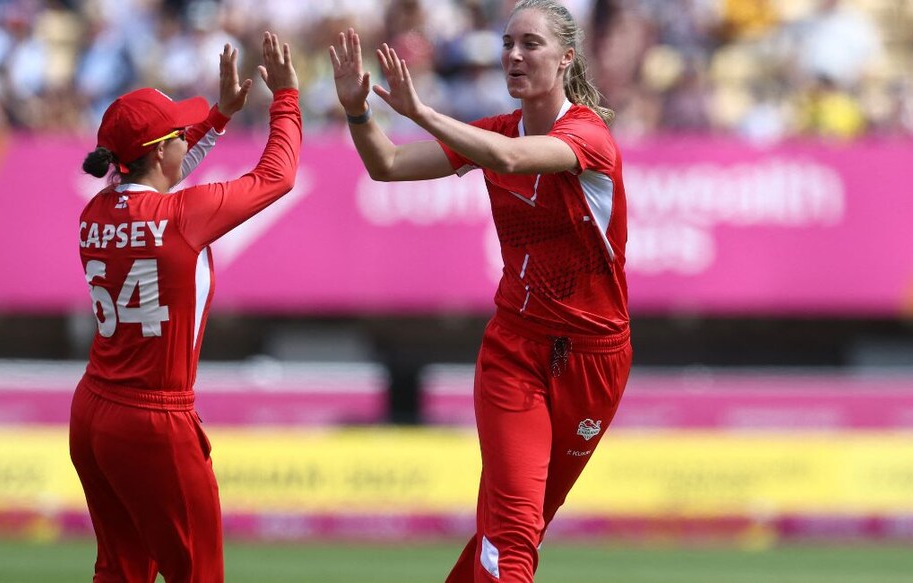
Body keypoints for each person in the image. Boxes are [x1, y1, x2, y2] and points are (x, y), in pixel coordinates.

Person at [329, 1, 631, 581]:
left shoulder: (589, 136)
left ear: (567, 57)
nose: (514, 56)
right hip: (515, 351)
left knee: (516, 527)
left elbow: (512, 158)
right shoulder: (493, 130)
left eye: (531, 45)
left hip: (594, 362)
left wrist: (419, 109)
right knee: (513, 535)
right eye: (507, 44)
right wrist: (357, 111)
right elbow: (387, 165)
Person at [70, 33, 300, 583]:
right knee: (199, 574)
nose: (183, 141)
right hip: (155, 419)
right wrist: (287, 98)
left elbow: (160, 174)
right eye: (177, 133)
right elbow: (278, 176)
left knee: (120, 572)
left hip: (93, 411)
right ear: (157, 150)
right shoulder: (182, 217)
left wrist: (218, 117)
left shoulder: (95, 211)